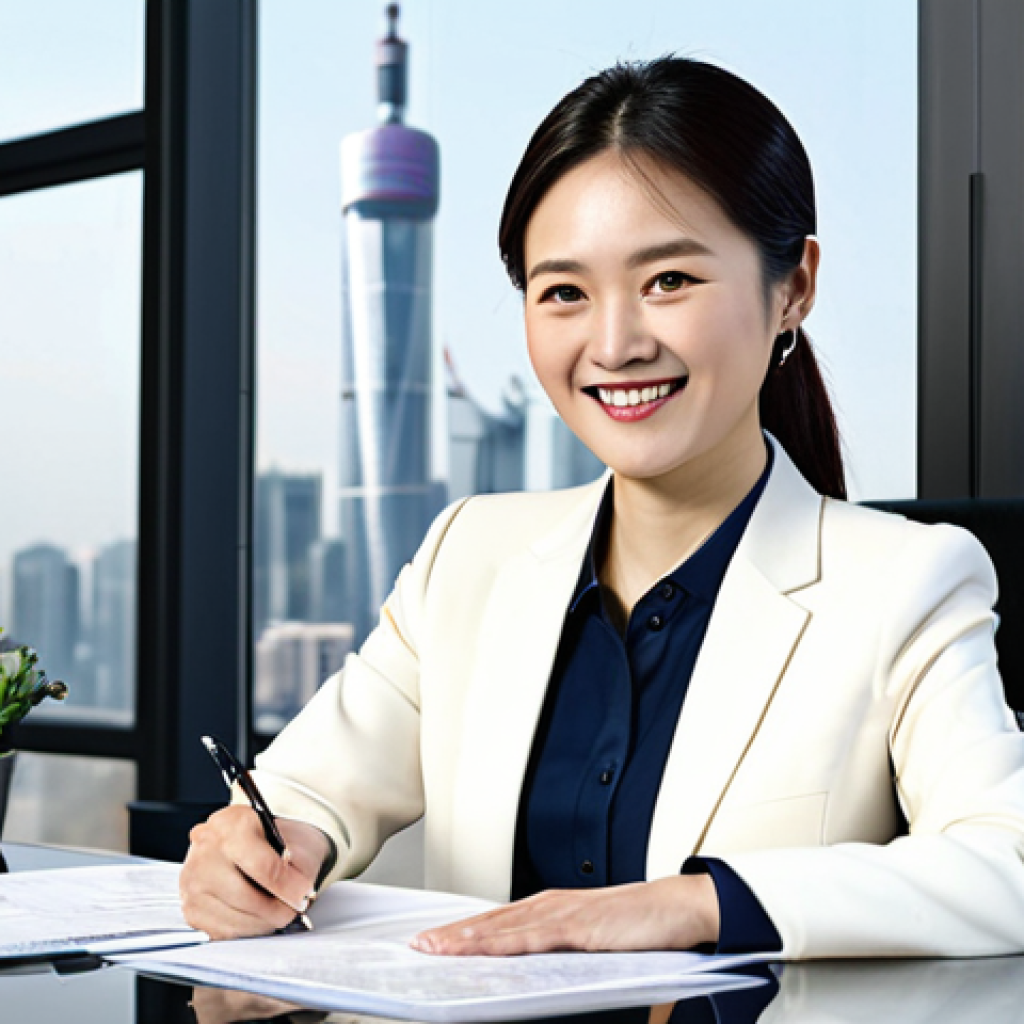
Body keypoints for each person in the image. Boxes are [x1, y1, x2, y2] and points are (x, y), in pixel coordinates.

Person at [180, 57, 1024, 959]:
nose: (614, 345)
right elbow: (306, 792)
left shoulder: (905, 583)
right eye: (565, 294)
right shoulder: (469, 555)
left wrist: (690, 905)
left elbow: (1007, 864)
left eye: (669, 281)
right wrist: (261, 849)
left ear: (793, 289)